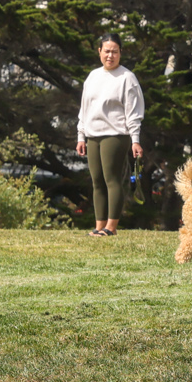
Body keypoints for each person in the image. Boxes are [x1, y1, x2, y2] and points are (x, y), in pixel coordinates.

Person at [76, 35, 144, 237]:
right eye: (106, 51)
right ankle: (99, 226)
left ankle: (111, 227)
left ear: (120, 53)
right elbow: (84, 109)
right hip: (92, 134)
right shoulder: (93, 76)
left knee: (111, 179)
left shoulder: (127, 78)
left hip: (115, 133)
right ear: (99, 52)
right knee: (97, 181)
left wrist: (135, 140)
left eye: (115, 51)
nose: (110, 55)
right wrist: (81, 135)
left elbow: (133, 112)